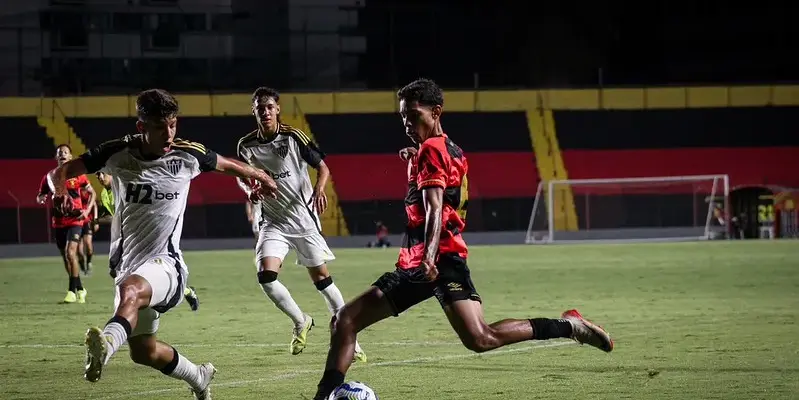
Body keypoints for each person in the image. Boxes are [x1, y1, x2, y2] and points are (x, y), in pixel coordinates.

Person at [311, 79, 614, 399]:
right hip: (416, 262)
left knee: (481, 338)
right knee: (344, 321)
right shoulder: (445, 150)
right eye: (402, 118)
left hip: (437, 260)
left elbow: (435, 207)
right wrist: (414, 161)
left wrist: (429, 256)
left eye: (413, 116)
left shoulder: (432, 150)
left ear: (436, 112)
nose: (407, 124)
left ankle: (571, 327)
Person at [47, 88, 278, 398]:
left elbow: (227, 164)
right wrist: (59, 189)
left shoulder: (187, 154)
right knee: (144, 352)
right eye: (160, 127)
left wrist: (260, 176)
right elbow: (61, 172)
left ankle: (104, 348)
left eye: (173, 124)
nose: (169, 133)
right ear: (141, 127)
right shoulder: (116, 153)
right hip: (128, 264)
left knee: (131, 290)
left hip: (167, 264)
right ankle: (198, 377)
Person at [236, 86, 366, 361]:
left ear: (277, 109)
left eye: (270, 106)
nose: (265, 111)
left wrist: (319, 188)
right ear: (254, 111)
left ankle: (350, 338)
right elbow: (241, 173)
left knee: (322, 280)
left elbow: (323, 166)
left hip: (302, 218)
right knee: (266, 276)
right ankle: (300, 321)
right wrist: (249, 190)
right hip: (273, 221)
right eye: (260, 107)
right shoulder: (245, 145)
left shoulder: (293, 137)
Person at [97, 170, 202, 311]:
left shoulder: (125, 186)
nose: (100, 177)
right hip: (127, 239)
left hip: (146, 237)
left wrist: (95, 220)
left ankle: (130, 314)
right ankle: (184, 291)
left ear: (112, 173)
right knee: (123, 275)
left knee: (143, 277)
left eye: (103, 173)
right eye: (97, 174)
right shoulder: (105, 194)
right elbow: (116, 217)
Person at [37, 144, 94, 304]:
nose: (62, 154)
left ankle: (71, 291)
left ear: (70, 157)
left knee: (71, 253)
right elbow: (40, 194)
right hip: (58, 222)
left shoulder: (78, 175)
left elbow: (92, 193)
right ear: (57, 158)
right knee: (66, 257)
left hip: (76, 220)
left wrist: (86, 210)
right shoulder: (49, 177)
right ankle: (80, 289)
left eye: (65, 152)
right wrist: (41, 199)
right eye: (59, 153)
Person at [77, 183, 98, 276]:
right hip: (76, 222)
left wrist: (96, 220)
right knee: (79, 251)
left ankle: (89, 262)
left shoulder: (89, 191)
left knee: (88, 245)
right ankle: (82, 268)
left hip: (87, 221)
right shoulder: (74, 190)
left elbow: (94, 205)